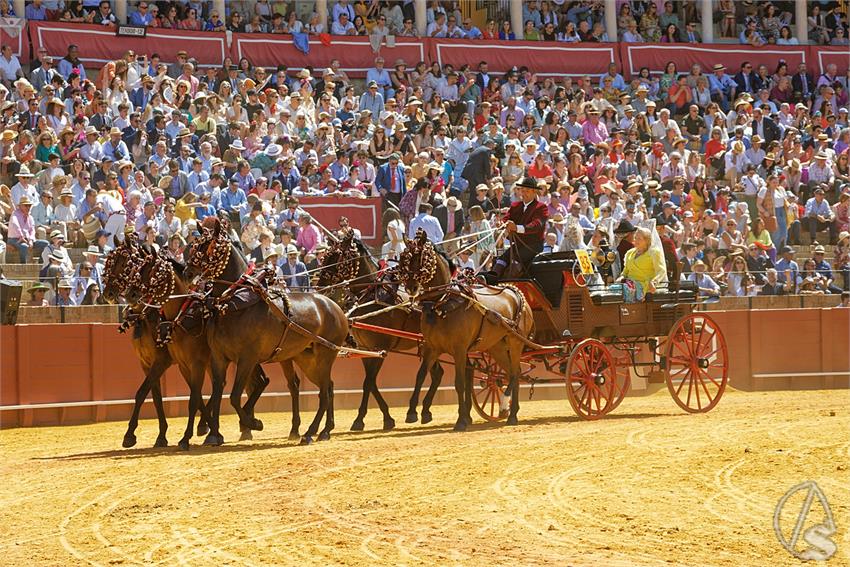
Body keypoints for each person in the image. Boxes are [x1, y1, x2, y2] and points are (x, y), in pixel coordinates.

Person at [485, 177, 548, 283]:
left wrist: (516, 228)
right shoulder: (515, 206)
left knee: (515, 262)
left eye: (527, 191)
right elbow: (507, 218)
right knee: (501, 260)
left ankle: (508, 284)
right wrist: (501, 223)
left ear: (534, 192)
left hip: (533, 246)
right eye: (522, 190)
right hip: (518, 245)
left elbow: (536, 225)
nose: (524, 193)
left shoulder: (541, 208)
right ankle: (491, 282)